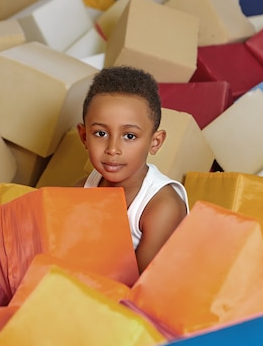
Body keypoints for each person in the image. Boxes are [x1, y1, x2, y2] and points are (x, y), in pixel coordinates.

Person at [76, 65, 189, 273]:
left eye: (129, 136)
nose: (112, 149)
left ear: (155, 142)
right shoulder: (83, 189)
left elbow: (142, 290)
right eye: (100, 134)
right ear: (84, 136)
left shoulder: (161, 207)